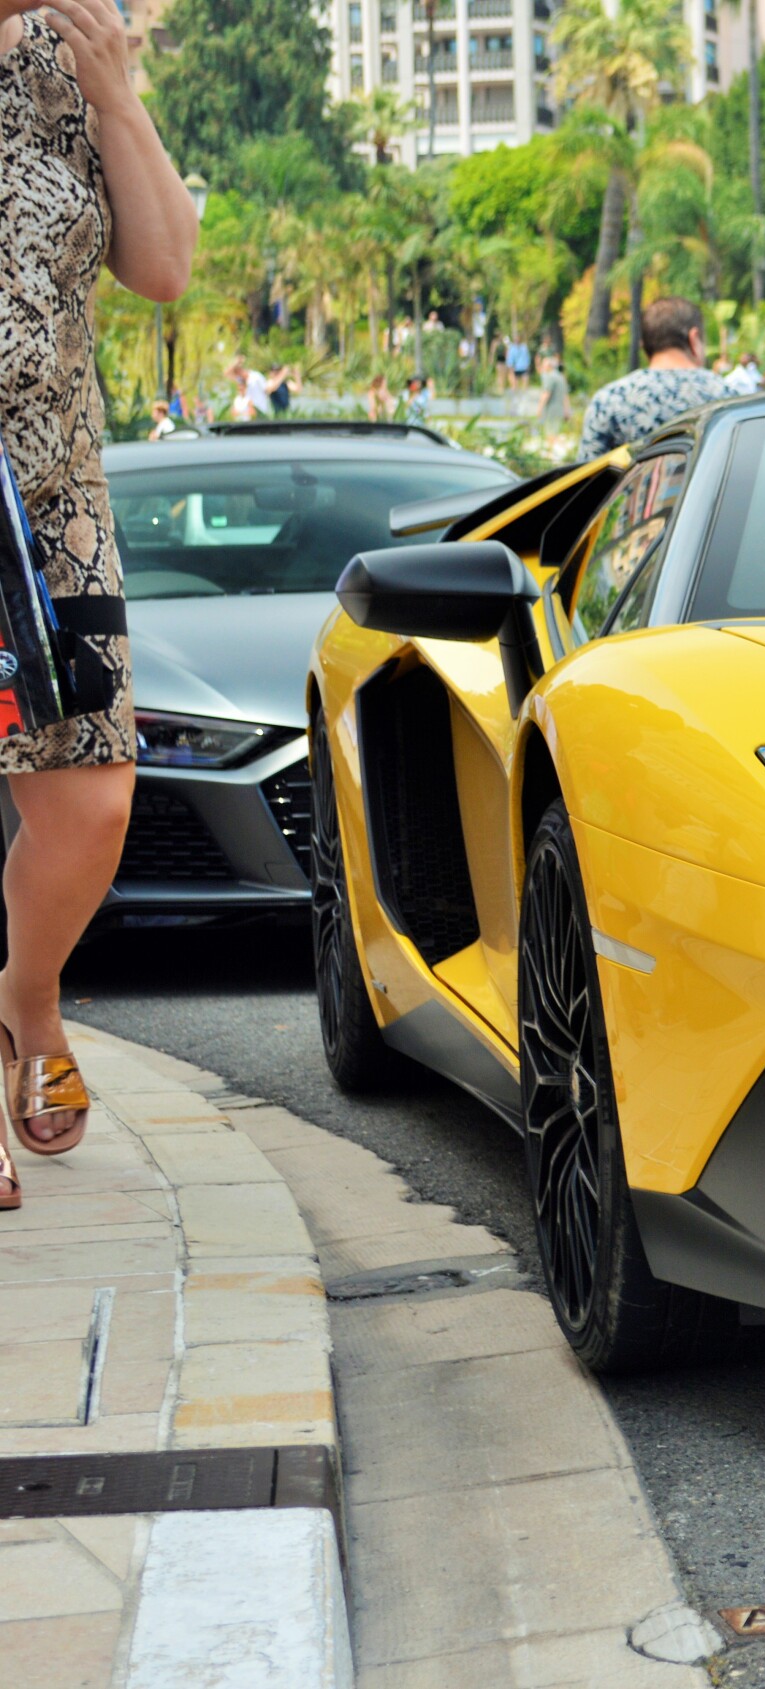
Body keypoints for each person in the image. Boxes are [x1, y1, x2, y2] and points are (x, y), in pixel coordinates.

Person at [0, 0, 199, 1215]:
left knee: (92, 806)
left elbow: (165, 266)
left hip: (53, 500)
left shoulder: (61, 61)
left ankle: (27, 993)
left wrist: (117, 89)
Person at [578, 296, 731, 457]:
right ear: (694, 338)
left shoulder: (609, 400)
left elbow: (588, 475)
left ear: (644, 345)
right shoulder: (726, 395)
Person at [535, 352, 573, 448]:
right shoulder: (560, 377)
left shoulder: (550, 377)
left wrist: (539, 409)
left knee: (550, 434)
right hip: (560, 410)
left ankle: (551, 453)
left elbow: (546, 394)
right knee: (556, 433)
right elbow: (565, 395)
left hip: (551, 410)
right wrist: (567, 410)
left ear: (549, 366)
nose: (542, 368)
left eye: (543, 365)